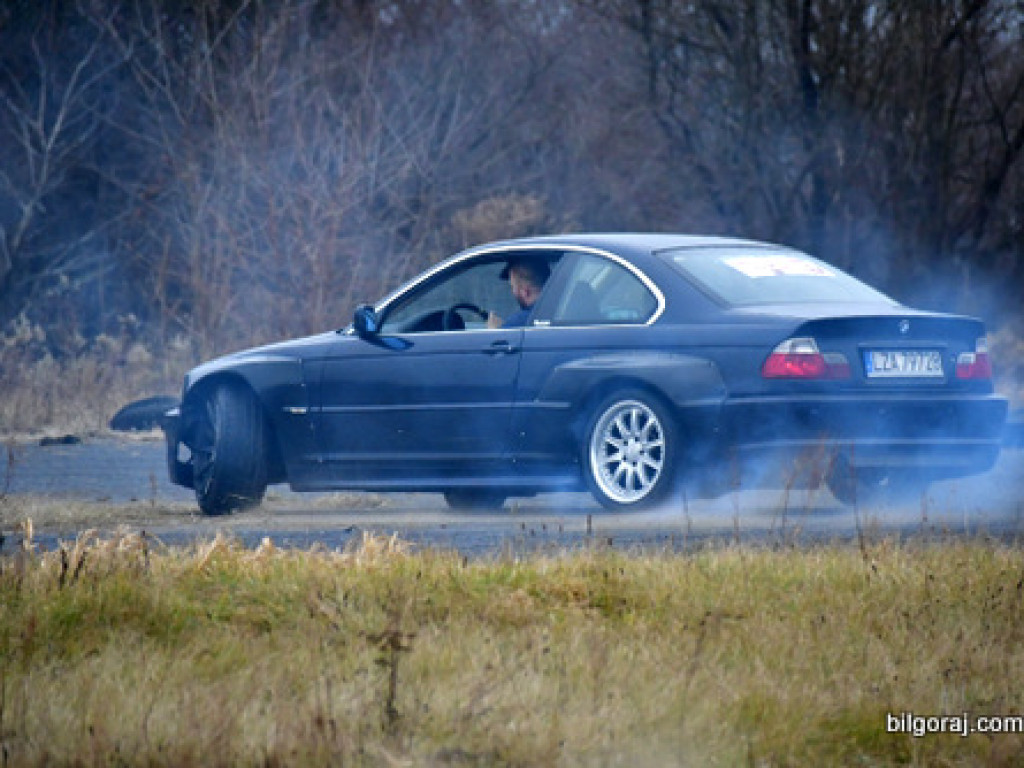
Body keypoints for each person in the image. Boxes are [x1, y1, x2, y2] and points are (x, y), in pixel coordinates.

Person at [487, 259, 550, 328]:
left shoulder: (519, 321)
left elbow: (502, 338)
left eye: (512, 286)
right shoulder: (559, 313)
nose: (512, 292)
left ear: (525, 292)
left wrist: (496, 330)